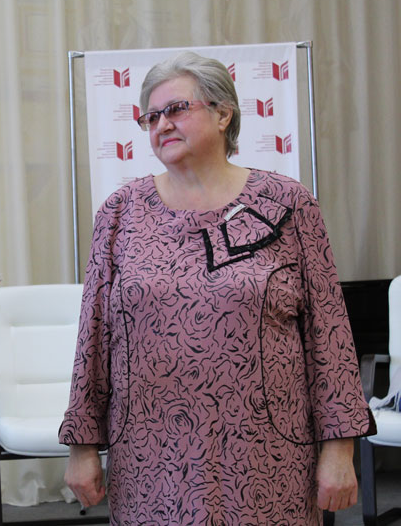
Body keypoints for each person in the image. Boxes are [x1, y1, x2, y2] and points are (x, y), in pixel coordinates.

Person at [59, 52, 375, 525]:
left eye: (176, 109)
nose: (162, 124)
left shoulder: (287, 204)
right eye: (151, 117)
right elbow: (94, 338)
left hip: (266, 451)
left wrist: (338, 450)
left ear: (223, 113)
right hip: (150, 453)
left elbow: (330, 336)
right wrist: (82, 447)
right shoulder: (120, 212)